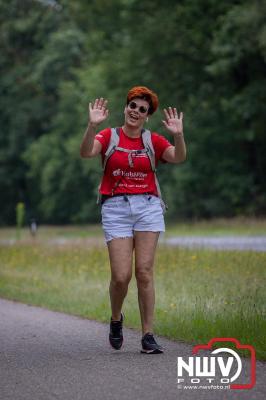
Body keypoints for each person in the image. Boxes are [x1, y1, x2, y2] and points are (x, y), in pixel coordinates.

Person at [80, 86, 186, 354]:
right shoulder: (109, 136)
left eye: (142, 109)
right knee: (121, 276)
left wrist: (179, 135)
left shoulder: (153, 141)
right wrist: (91, 126)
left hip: (148, 206)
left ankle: (148, 335)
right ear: (125, 108)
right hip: (115, 207)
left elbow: (178, 157)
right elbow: (86, 152)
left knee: (144, 272)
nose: (136, 112)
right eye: (133, 106)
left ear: (147, 115)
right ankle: (116, 319)